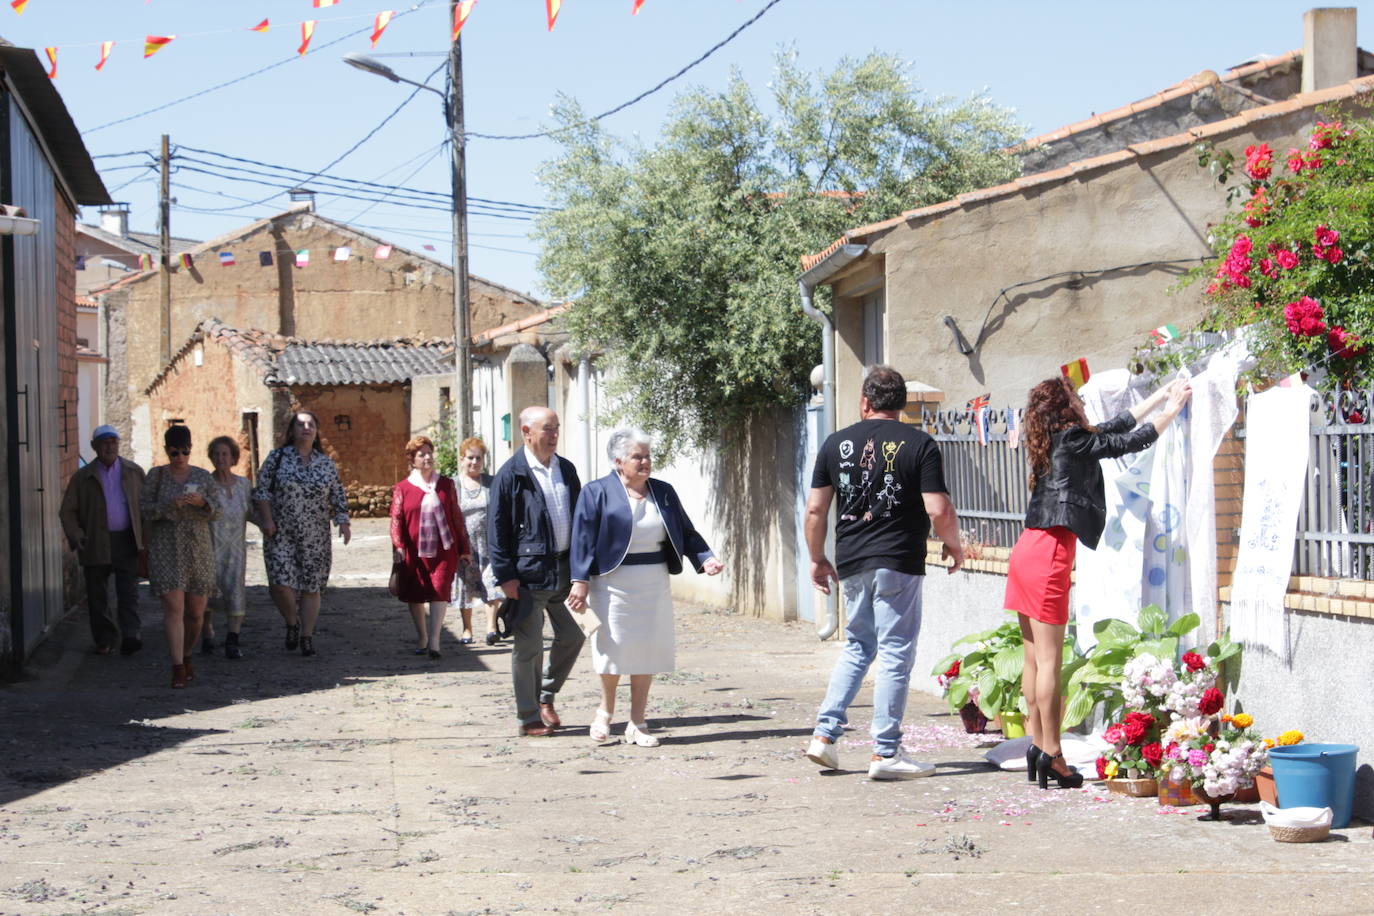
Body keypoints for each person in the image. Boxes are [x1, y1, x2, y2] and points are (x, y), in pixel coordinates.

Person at [1011, 375, 1191, 789]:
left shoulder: (1055, 439)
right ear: (1065, 405)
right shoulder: (1072, 440)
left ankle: (1038, 745)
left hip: (1026, 550)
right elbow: (1129, 442)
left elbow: (1114, 427)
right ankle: (1053, 753)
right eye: (1074, 395)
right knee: (1051, 663)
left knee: (1033, 660)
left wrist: (1160, 397)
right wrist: (1172, 411)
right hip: (1050, 553)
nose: (1080, 399)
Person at [804, 365, 964, 780]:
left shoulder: (835, 443)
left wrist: (817, 558)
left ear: (865, 401)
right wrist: (954, 544)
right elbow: (939, 508)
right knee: (895, 651)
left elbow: (815, 510)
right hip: (898, 560)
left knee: (858, 647)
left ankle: (823, 736)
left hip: (853, 560)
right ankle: (886, 752)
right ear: (902, 404)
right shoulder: (920, 443)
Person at [568, 428, 724, 746]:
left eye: (647, 456)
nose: (645, 461)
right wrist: (579, 580)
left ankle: (637, 722)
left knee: (647, 651)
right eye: (637, 456)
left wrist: (705, 558)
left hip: (653, 582)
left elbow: (685, 530)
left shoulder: (663, 492)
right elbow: (582, 538)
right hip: (610, 583)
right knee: (611, 651)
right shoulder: (596, 492)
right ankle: (605, 712)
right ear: (618, 461)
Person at [488, 406, 584, 737]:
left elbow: (581, 520)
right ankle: (528, 717)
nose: (554, 434)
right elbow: (496, 529)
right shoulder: (510, 474)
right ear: (526, 432)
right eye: (547, 428)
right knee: (528, 648)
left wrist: (583, 568)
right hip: (527, 575)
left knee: (573, 636)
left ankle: (545, 696)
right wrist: (505, 575)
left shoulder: (566, 469)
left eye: (556, 428)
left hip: (564, 570)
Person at [253, 410, 351, 658]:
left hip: (315, 534)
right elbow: (262, 490)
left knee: (311, 586)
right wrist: (266, 519)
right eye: (300, 424)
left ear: (316, 431)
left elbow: (337, 494)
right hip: (280, 532)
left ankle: (306, 636)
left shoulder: (326, 463)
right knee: (279, 584)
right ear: (291, 431)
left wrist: (343, 521)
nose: (306, 428)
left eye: (310, 424)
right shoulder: (277, 458)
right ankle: (291, 622)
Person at [140, 425, 220, 688]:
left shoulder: (203, 476)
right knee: (174, 609)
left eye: (185, 451)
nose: (180, 456)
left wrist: (202, 503)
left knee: (196, 613)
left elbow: (217, 511)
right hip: (166, 548)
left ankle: (187, 655)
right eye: (174, 452)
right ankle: (176, 667)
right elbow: (143, 509)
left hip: (198, 548)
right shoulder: (156, 476)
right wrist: (168, 505)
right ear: (166, 450)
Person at [59, 425, 147, 657]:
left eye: (113, 442)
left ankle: (131, 635)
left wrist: (146, 538)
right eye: (104, 443)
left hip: (126, 539)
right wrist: (77, 536)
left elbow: (146, 506)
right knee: (98, 595)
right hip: (95, 540)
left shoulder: (133, 472)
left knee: (128, 591)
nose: (109, 447)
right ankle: (105, 638)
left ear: (118, 445)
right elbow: (67, 511)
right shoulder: (83, 477)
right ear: (95, 447)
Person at [390, 435, 471, 659]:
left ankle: (435, 641)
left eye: (429, 453)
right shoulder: (403, 488)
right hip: (413, 552)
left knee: (440, 590)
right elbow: (396, 520)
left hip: (444, 550)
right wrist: (398, 546)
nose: (427, 457)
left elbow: (456, 517)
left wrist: (464, 548)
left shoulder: (446, 485)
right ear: (412, 460)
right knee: (415, 595)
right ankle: (422, 637)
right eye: (421, 454)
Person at [202, 435, 260, 660]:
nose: (220, 458)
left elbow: (253, 513)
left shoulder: (244, 485)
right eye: (216, 454)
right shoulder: (206, 485)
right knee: (206, 593)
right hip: (210, 547)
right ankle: (207, 634)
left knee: (235, 593)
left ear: (233, 457)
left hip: (235, 551)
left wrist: (270, 525)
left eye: (225, 454)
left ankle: (232, 640)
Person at [452, 437, 502, 646]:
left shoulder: (491, 483)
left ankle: (491, 628)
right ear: (462, 459)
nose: (474, 462)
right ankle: (467, 628)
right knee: (466, 586)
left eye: (478, 458)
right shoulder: (453, 484)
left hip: (488, 542)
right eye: (470, 458)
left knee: (491, 583)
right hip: (465, 545)